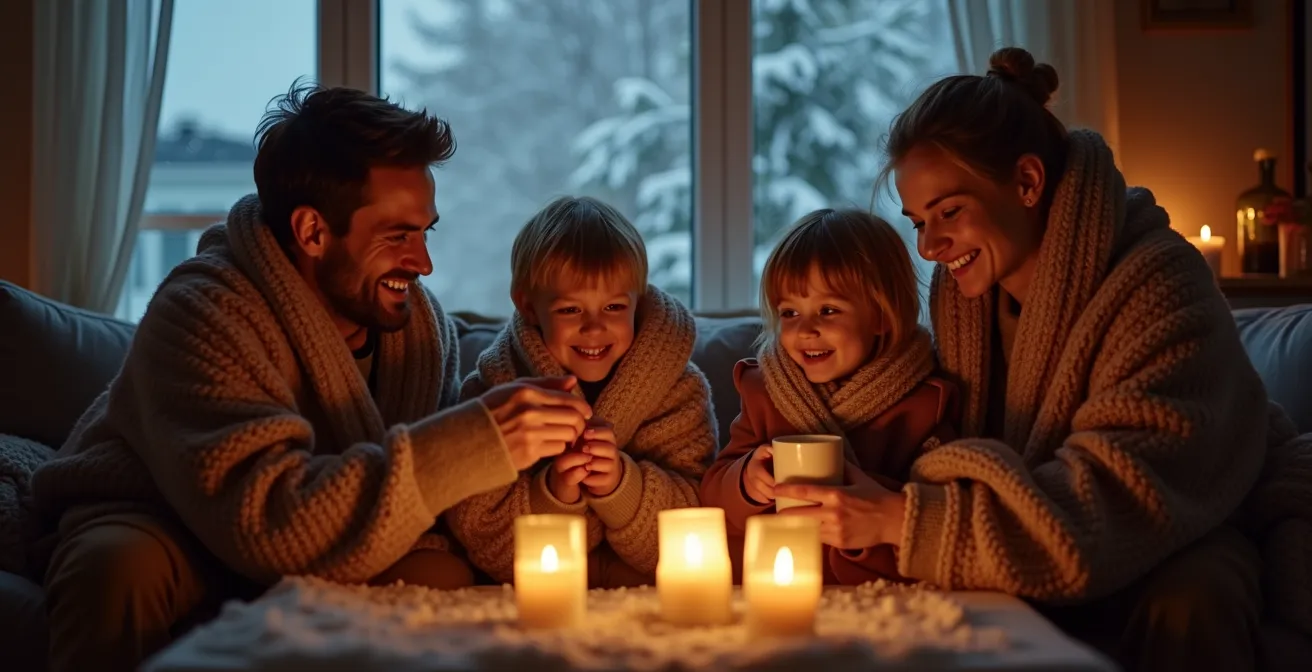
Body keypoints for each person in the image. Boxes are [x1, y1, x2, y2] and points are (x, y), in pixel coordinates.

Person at [764, 46, 1312, 671]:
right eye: (917, 222)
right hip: (1030, 534)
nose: (931, 246)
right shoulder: (966, 296)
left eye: (949, 213)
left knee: (1192, 604)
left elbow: (1115, 500)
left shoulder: (1159, 284)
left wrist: (902, 518)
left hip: (1185, 531)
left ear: (1026, 183)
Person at [28, 82, 594, 672]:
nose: (423, 263)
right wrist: (477, 439)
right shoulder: (202, 312)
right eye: (398, 235)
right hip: (166, 518)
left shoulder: (422, 332)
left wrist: (554, 483)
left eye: (426, 232)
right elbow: (266, 522)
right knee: (116, 569)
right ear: (313, 233)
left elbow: (434, 511)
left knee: (442, 574)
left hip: (327, 533)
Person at [447, 196, 717, 588]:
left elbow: (700, 524)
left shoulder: (679, 391)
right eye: (571, 311)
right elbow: (477, 531)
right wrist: (555, 495)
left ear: (636, 303)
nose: (594, 328)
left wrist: (622, 485)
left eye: (612, 308)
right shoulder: (493, 391)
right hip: (538, 597)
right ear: (527, 306)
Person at [699, 208, 956, 585]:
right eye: (789, 312)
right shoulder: (764, 389)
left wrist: (867, 507)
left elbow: (930, 511)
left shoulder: (924, 403)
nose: (806, 329)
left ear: (882, 316)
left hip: (871, 588)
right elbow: (714, 491)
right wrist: (746, 481)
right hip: (774, 582)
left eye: (828, 310)